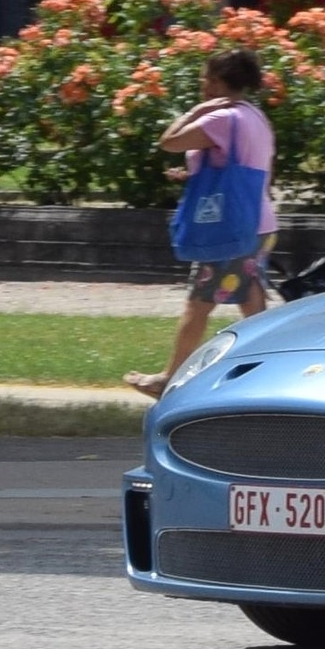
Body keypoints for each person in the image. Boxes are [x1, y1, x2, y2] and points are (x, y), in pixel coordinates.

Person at [125, 50, 277, 398]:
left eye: (206, 78)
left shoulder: (219, 119)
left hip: (230, 229)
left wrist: (195, 112)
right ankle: (267, 373)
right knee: (252, 303)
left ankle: (168, 378)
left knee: (199, 304)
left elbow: (169, 142)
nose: (201, 84)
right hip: (259, 222)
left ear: (219, 82)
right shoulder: (255, 117)